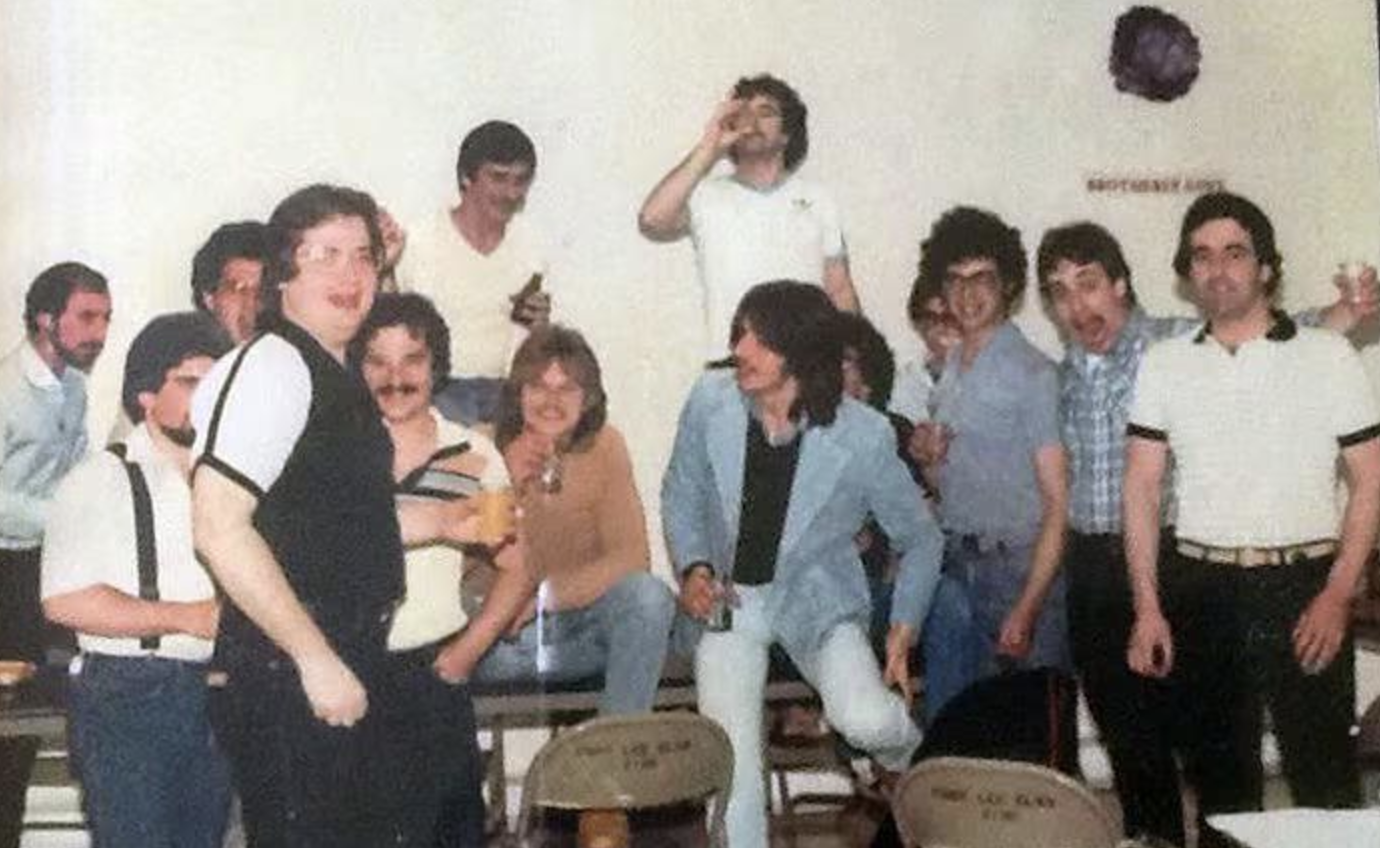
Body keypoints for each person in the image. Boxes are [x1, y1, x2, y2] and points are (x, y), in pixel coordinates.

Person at [1036, 220, 1375, 845]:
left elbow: (1269, 328)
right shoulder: (1088, 372)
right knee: (1188, 768)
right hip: (1150, 577)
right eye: (1060, 292)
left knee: (1318, 776)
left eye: (1089, 284)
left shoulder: (1194, 345)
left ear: (1121, 285)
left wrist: (1344, 311)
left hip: (1248, 574)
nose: (1078, 303)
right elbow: (1126, 482)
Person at [190, 184, 493, 846]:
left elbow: (329, 521)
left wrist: (442, 524)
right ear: (283, 273)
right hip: (289, 674)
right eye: (325, 254)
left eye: (362, 255)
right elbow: (218, 527)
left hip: (339, 658)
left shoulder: (329, 375)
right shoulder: (275, 368)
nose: (350, 273)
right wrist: (314, 659)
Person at [1124, 192, 1380, 839]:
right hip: (1201, 591)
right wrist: (1149, 608)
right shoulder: (1164, 365)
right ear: (1187, 273)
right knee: (1221, 792)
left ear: (1266, 267)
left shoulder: (1327, 355)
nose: (1218, 269)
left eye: (1235, 253)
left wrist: (1339, 593)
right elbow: (1143, 491)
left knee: (1325, 786)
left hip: (1304, 589)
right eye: (1202, 257)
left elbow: (1371, 480)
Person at [662, 281, 941, 848]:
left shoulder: (863, 435)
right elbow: (680, 491)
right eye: (740, 333)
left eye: (760, 340)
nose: (742, 349)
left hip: (819, 602)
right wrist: (693, 567)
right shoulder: (709, 399)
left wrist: (902, 629)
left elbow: (921, 537)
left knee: (863, 717)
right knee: (733, 766)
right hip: (730, 605)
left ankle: (915, 763)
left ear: (802, 353)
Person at [41, 311, 232, 848]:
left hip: (220, 693)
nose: (208, 397)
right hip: (129, 693)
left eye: (217, 384)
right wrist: (186, 617)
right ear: (146, 394)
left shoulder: (233, 479)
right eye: (191, 382)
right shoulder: (98, 479)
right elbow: (64, 600)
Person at [352, 292, 534, 847]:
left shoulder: (474, 454)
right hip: (349, 669)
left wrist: (464, 655)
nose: (395, 377)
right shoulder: (338, 451)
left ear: (437, 367)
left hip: (433, 674)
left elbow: (519, 564)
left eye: (412, 360)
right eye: (377, 362)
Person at [907, 207, 1069, 726]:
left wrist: (1026, 607)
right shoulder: (953, 368)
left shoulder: (1033, 374)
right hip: (963, 567)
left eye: (982, 279)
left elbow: (1058, 504)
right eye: (954, 280)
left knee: (1036, 750)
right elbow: (952, 486)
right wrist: (930, 463)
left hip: (1021, 572)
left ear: (1009, 287)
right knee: (981, 745)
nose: (967, 294)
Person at [470, 324, 675, 715]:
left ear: (588, 399)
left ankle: (612, 757)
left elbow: (632, 558)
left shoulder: (605, 445)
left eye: (566, 389)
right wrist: (503, 477)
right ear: (518, 395)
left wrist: (543, 598)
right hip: (506, 638)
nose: (551, 401)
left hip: (583, 630)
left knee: (650, 598)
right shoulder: (483, 445)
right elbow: (457, 565)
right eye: (538, 387)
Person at [0, 261, 111, 848]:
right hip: (5, 568)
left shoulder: (74, 386)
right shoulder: (6, 389)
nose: (100, 331)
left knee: (33, 729)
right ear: (46, 319)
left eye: (105, 318)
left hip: (46, 565)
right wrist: (66, 514)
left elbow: (74, 472)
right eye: (87, 317)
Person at [638, 74, 860, 357]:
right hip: (730, 370)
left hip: (807, 369)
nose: (752, 122)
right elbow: (651, 221)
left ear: (787, 133)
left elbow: (839, 289)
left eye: (765, 112)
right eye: (743, 114)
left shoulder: (818, 199)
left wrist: (855, 359)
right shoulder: (705, 196)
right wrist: (709, 147)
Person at [393, 120, 553, 425]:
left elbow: (532, 347)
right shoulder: (418, 241)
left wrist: (539, 327)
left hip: (505, 391)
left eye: (520, 181)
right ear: (466, 177)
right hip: (437, 390)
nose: (510, 192)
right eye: (498, 178)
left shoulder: (530, 248)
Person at [190, 221, 273, 345]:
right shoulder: (189, 361)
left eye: (263, 290)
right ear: (209, 300)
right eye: (238, 289)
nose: (252, 303)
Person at [889, 290, 960, 424]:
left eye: (950, 319)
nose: (941, 328)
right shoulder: (903, 387)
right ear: (919, 327)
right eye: (931, 319)